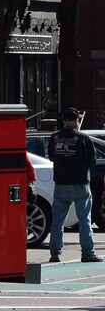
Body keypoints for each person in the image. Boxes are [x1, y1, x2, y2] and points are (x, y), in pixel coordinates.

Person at [48, 107, 102, 263]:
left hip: (61, 183)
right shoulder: (83, 138)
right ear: (74, 121)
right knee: (84, 219)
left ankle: (55, 252)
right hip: (80, 183)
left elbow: (52, 157)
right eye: (77, 119)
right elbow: (92, 160)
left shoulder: (54, 137)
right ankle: (87, 252)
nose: (78, 121)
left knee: (58, 220)